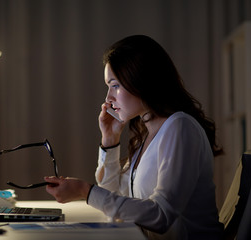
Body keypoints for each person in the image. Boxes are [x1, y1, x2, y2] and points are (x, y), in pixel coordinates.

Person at [44, 35, 224, 239]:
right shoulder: (146, 134)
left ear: (141, 81)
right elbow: (117, 199)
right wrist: (110, 140)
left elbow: (161, 216)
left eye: (115, 86)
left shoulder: (180, 127)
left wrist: (85, 191)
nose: (108, 98)